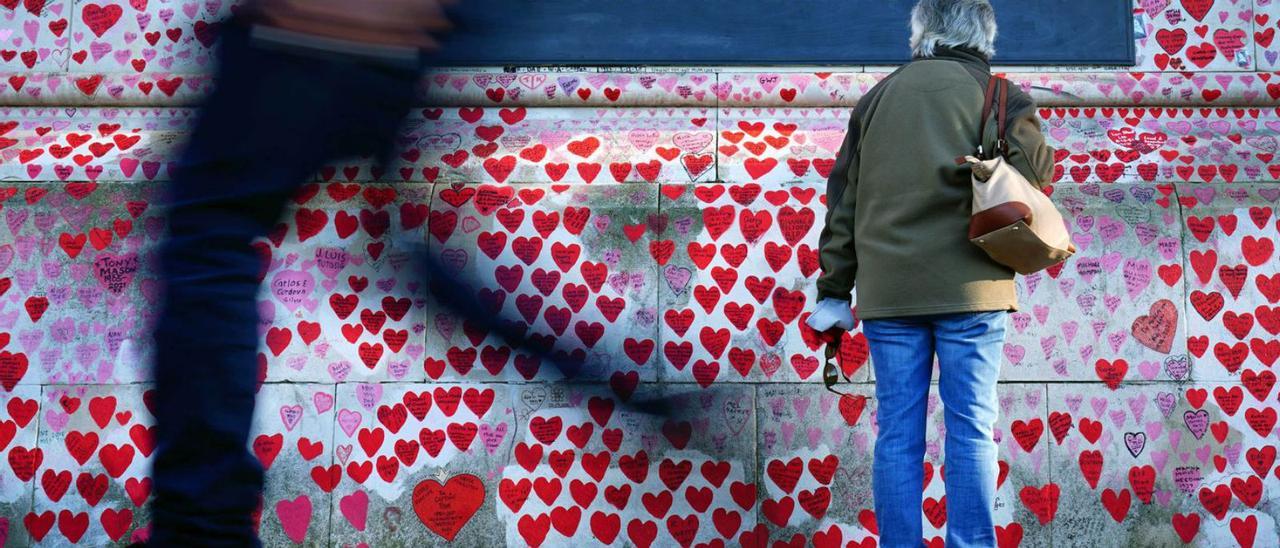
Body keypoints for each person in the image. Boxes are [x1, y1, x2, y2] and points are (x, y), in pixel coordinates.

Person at [805, 1, 1054, 546]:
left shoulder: (876, 99)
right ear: (985, 35)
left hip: (890, 294)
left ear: (921, 33)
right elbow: (1037, 176)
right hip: (973, 289)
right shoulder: (1003, 97)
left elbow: (843, 203)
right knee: (970, 432)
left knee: (897, 435)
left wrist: (832, 290)